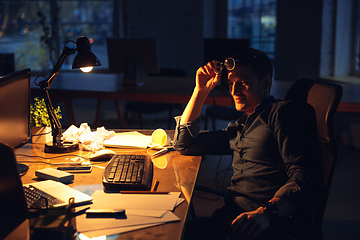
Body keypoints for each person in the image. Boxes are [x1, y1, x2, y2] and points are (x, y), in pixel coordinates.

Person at [172, 48, 323, 240]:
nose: (234, 91)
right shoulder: (240, 127)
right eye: (231, 83)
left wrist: (267, 213)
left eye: (244, 83)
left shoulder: (281, 113)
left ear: (266, 82)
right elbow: (185, 144)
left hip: (264, 226)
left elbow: (304, 176)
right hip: (230, 221)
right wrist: (200, 91)